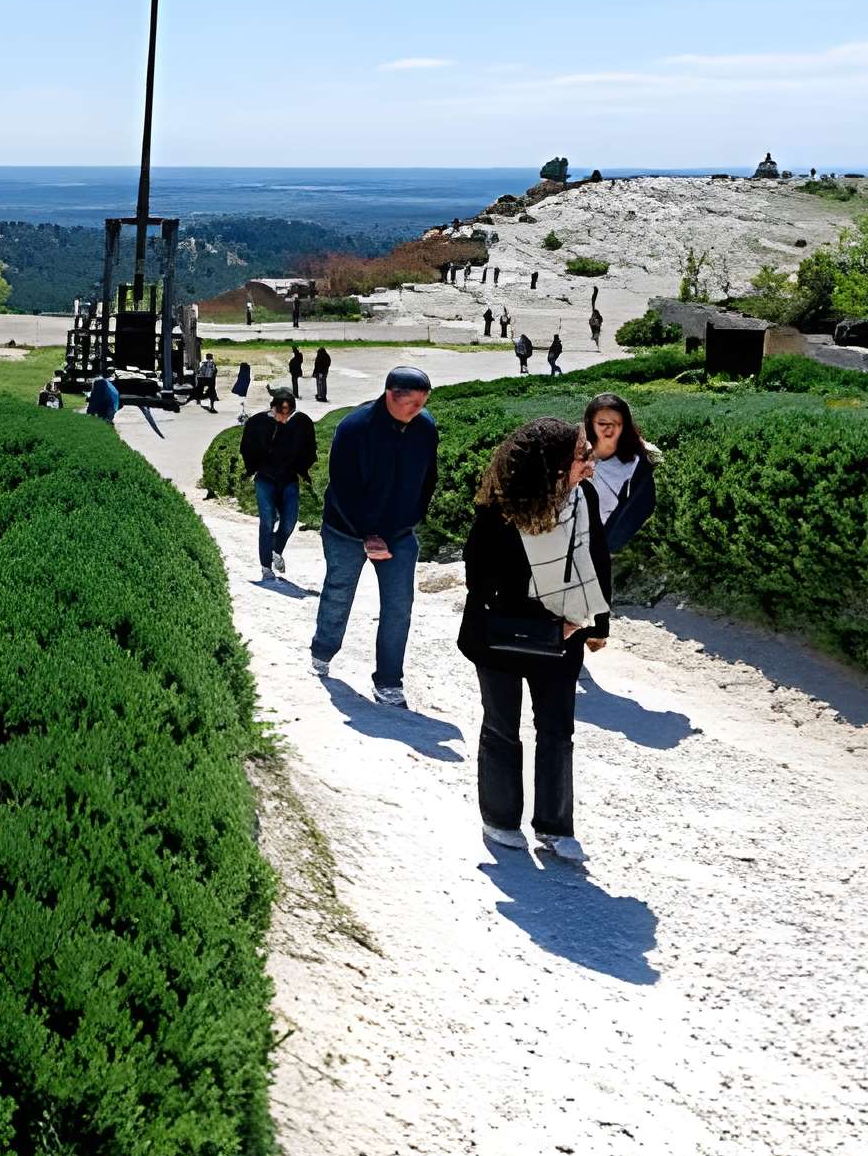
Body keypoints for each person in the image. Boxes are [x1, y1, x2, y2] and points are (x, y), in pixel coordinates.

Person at [460, 416, 612, 863]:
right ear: (550, 466)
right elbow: (479, 580)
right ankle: (501, 819)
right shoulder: (501, 509)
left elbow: (596, 557)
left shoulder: (581, 498)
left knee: (557, 732)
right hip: (502, 637)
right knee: (502, 728)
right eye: (581, 459)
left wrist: (596, 623)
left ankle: (554, 826)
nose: (589, 466)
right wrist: (546, 622)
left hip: (563, 633)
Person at [312, 364, 438, 706]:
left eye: (423, 403)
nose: (418, 410)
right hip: (346, 529)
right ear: (390, 396)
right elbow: (343, 488)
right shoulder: (354, 428)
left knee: (399, 606)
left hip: (398, 533)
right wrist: (367, 533)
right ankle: (322, 651)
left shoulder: (425, 428)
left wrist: (410, 520)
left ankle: (388, 681)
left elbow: (428, 479)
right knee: (339, 592)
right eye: (412, 403)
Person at [241, 385, 316, 580]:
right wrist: (252, 468)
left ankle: (275, 549)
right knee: (267, 521)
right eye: (280, 411)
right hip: (265, 479)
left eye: (288, 412)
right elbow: (246, 448)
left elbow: (309, 449)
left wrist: (303, 470)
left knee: (290, 521)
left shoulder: (301, 424)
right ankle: (266, 567)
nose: (284, 415)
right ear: (272, 407)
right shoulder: (258, 423)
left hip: (289, 479)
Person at [582, 391, 658, 556]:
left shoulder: (635, 464)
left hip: (604, 549)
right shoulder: (576, 456)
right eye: (602, 423)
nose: (609, 429)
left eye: (616, 423)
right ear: (590, 423)